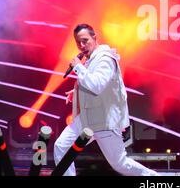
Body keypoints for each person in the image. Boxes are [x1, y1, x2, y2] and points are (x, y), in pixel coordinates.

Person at [54, 23, 159, 176]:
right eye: (78, 42)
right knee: (61, 146)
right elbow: (92, 83)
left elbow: (97, 85)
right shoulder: (91, 60)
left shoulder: (106, 59)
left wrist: (78, 67)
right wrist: (77, 91)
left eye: (85, 40)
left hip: (104, 121)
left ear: (94, 37)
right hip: (87, 119)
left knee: (120, 163)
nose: (81, 46)